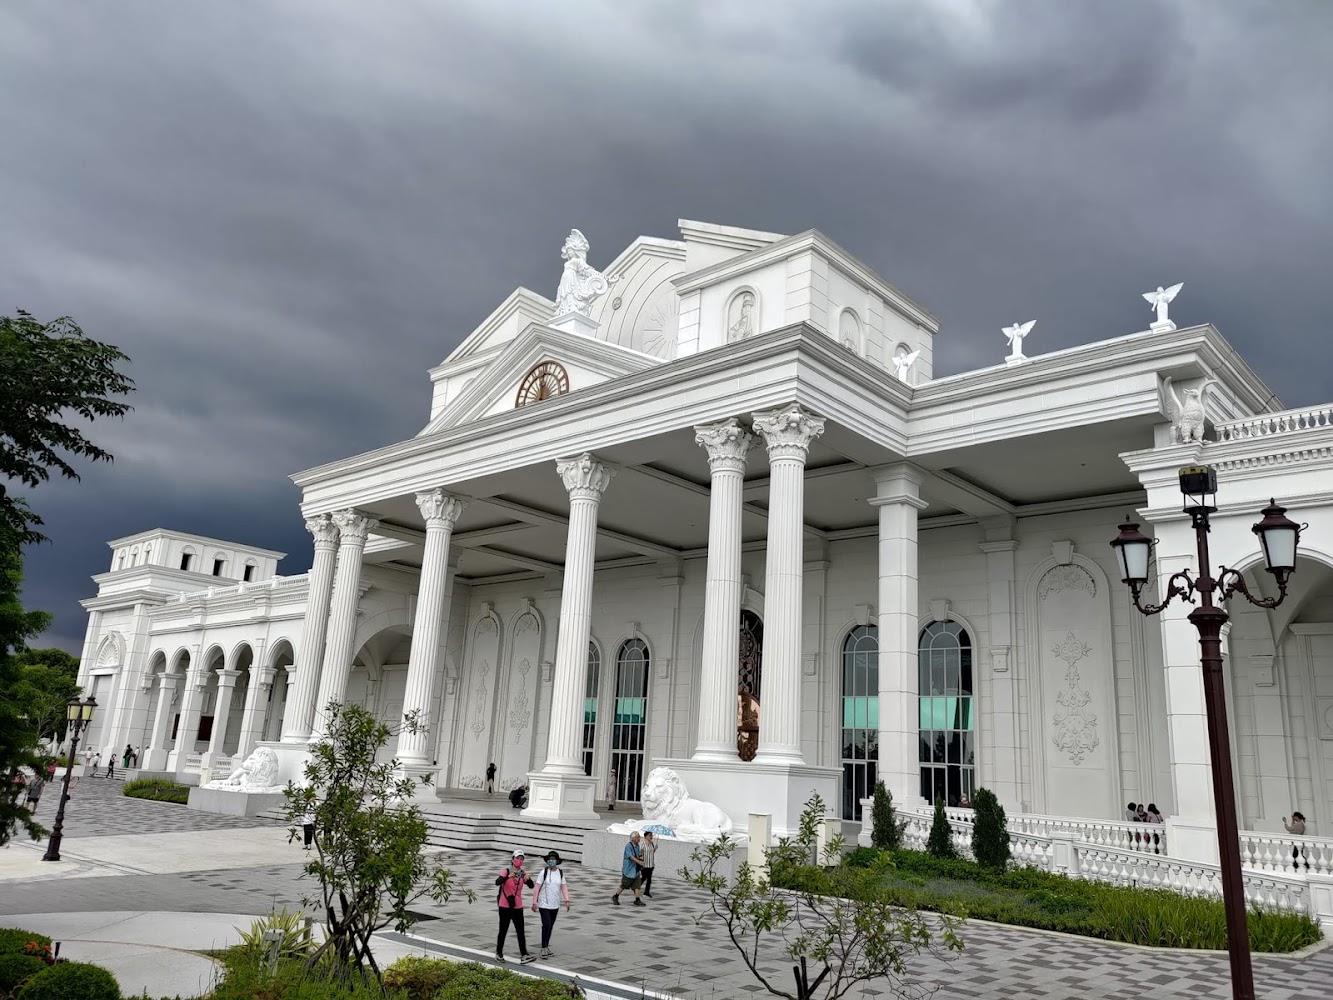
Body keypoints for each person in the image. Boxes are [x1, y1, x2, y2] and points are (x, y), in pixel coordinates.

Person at [495, 850, 536, 964]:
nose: (519, 860)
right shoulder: (506, 871)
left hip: (517, 905)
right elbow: (497, 882)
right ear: (512, 859)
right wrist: (507, 877)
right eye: (517, 858)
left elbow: (531, 886)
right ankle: (499, 953)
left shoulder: (522, 873)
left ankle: (524, 955)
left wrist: (528, 879)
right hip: (505, 905)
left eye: (521, 859)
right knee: (503, 930)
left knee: (520, 931)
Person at [531, 849, 570, 958]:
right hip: (544, 904)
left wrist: (567, 900)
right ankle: (543, 948)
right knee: (546, 924)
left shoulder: (560, 873)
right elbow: (537, 888)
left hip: (555, 905)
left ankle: (546, 946)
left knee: (550, 926)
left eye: (553, 859)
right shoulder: (543, 872)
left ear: (557, 861)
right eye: (549, 859)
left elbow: (564, 887)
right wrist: (534, 902)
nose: (551, 861)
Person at [611, 831, 645, 907]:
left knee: (637, 885)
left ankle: (637, 900)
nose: (639, 838)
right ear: (633, 838)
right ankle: (615, 896)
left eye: (639, 837)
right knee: (624, 885)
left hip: (635, 870)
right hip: (629, 870)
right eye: (638, 837)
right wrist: (639, 862)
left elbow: (637, 856)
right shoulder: (628, 846)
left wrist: (641, 854)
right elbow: (631, 857)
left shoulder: (637, 846)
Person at [640, 830, 657, 898]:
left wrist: (655, 849)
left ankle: (646, 892)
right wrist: (641, 863)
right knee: (644, 878)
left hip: (651, 865)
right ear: (645, 836)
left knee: (649, 879)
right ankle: (636, 887)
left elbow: (652, 853)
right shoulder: (643, 844)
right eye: (650, 835)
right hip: (644, 865)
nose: (651, 836)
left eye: (651, 835)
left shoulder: (652, 843)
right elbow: (640, 854)